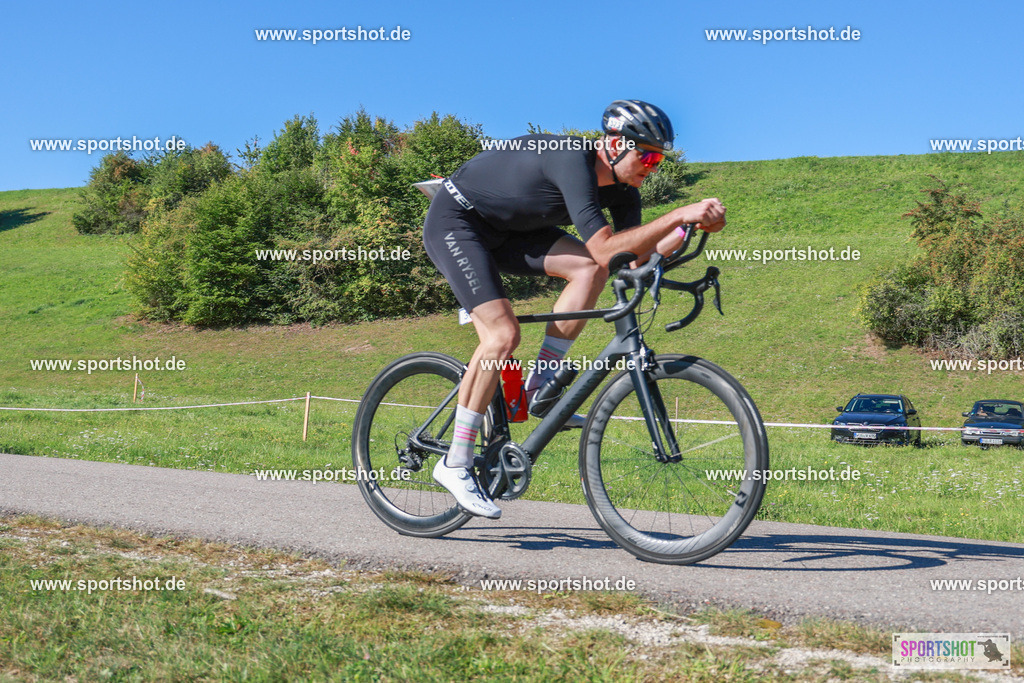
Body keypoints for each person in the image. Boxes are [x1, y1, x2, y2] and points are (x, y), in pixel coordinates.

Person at [421, 100, 726, 519]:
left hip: (510, 233)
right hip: (458, 222)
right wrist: (678, 212)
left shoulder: (623, 192)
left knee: (588, 270)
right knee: (503, 335)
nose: (652, 167)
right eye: (649, 155)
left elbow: (630, 259)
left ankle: (539, 389)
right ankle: (454, 462)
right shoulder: (571, 160)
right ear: (616, 144)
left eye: (659, 160)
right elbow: (605, 246)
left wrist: (684, 228)